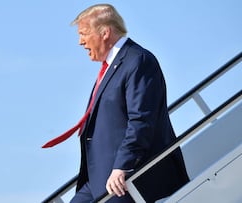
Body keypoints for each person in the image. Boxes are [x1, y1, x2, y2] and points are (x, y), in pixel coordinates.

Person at [42, 3, 189, 203]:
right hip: (100, 179)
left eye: (84, 34)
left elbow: (140, 120)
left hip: (126, 179)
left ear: (105, 32)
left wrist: (123, 166)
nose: (80, 42)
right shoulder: (113, 66)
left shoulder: (138, 61)